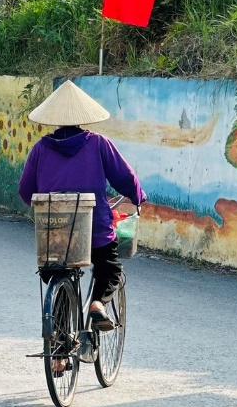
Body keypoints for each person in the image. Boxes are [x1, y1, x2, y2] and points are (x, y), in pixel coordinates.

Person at [18, 80, 145, 332]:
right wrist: (137, 195)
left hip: (54, 233)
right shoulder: (98, 144)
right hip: (94, 230)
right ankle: (98, 304)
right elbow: (124, 177)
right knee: (110, 270)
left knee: (60, 273)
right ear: (83, 117)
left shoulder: (41, 149)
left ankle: (59, 354)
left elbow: (25, 192)